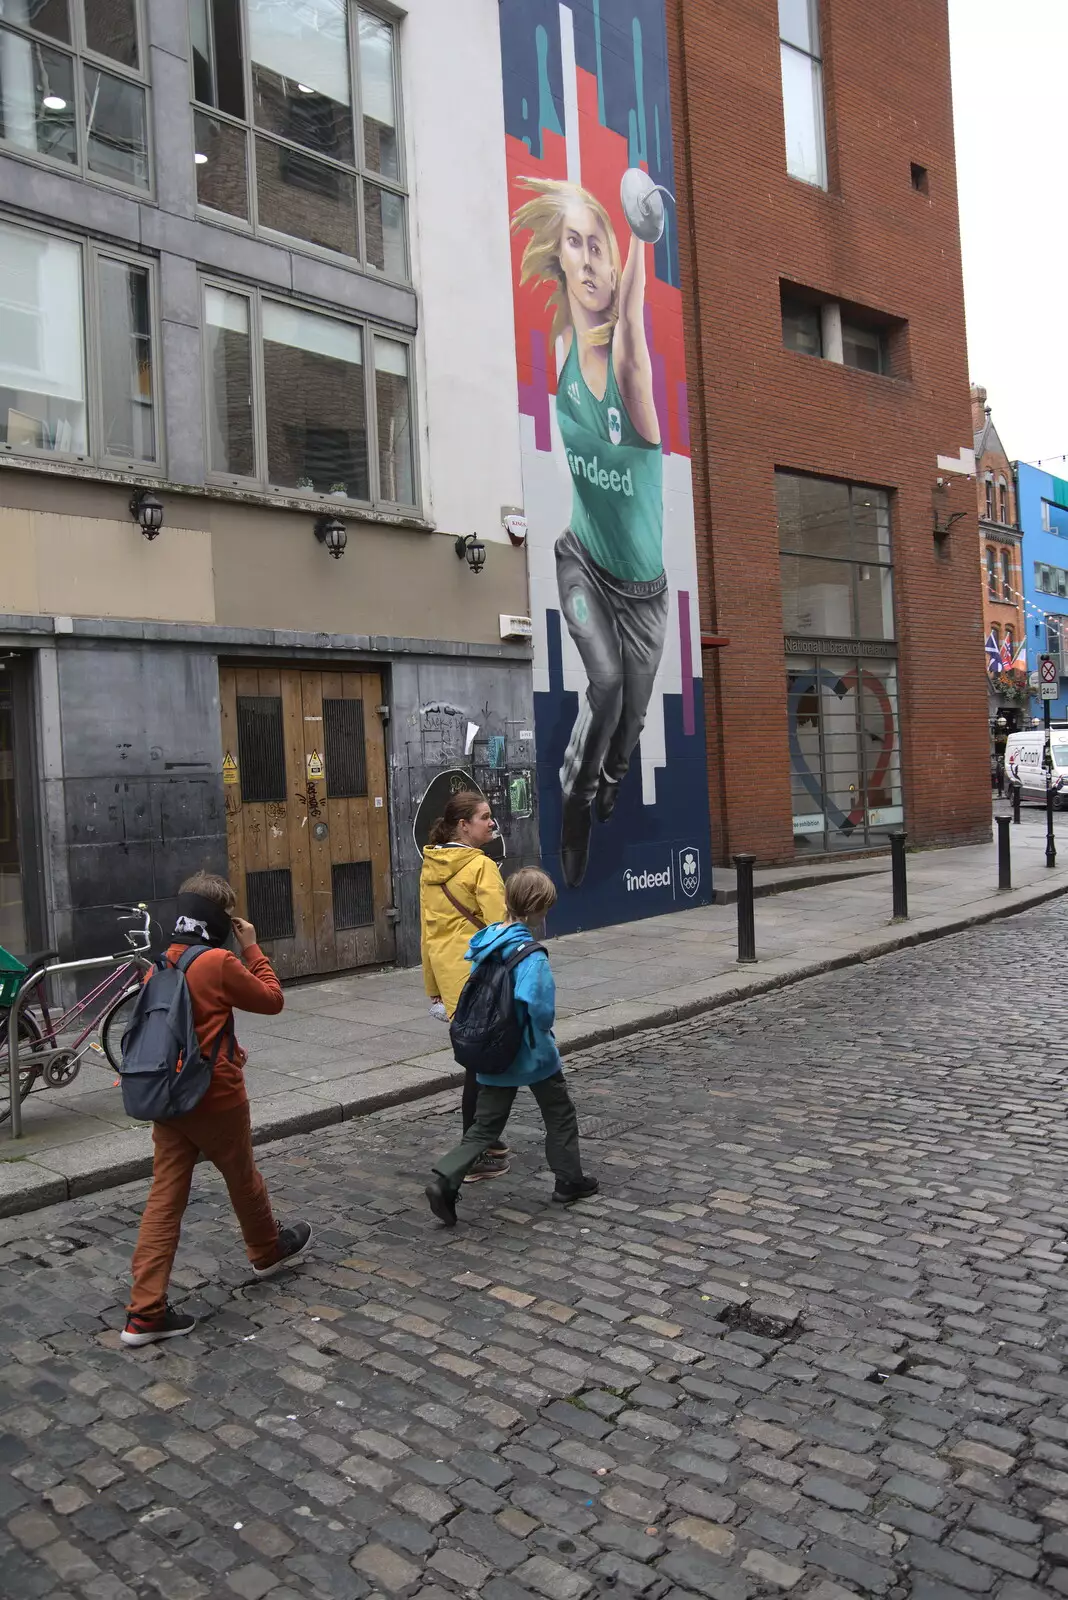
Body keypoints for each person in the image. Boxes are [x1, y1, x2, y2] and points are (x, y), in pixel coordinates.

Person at [513, 176, 668, 888]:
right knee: (603, 687)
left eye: (598, 244)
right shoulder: (562, 348)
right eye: (574, 244)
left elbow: (633, 325)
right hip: (580, 565)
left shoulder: (633, 380)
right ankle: (574, 804)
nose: (588, 259)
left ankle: (608, 779)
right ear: (563, 262)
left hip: (645, 598)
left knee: (630, 727)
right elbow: (608, 318)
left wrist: (645, 232)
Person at [121, 871, 311, 1346]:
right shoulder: (217, 961)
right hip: (215, 1096)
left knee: (165, 1197)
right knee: (242, 1175)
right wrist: (253, 948)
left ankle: (144, 1311)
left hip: (169, 1096)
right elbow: (272, 1000)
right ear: (223, 917)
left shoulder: (160, 963)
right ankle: (266, 1249)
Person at [424, 866, 598, 1226]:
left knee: (485, 1126)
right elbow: (537, 1008)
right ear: (538, 909)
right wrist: (544, 1038)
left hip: (493, 1052)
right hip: (531, 1053)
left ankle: (446, 1180)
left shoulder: (488, 942)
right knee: (559, 1114)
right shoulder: (531, 955)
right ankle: (569, 1180)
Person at [420, 791, 510, 1183]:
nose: (492, 823)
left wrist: (433, 987)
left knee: (480, 1060)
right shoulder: (481, 867)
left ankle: (486, 1141)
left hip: (452, 979)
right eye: (485, 817)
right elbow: (499, 930)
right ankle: (474, 1151)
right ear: (463, 825)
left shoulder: (431, 866)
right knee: (482, 1066)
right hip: (481, 977)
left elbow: (429, 934)